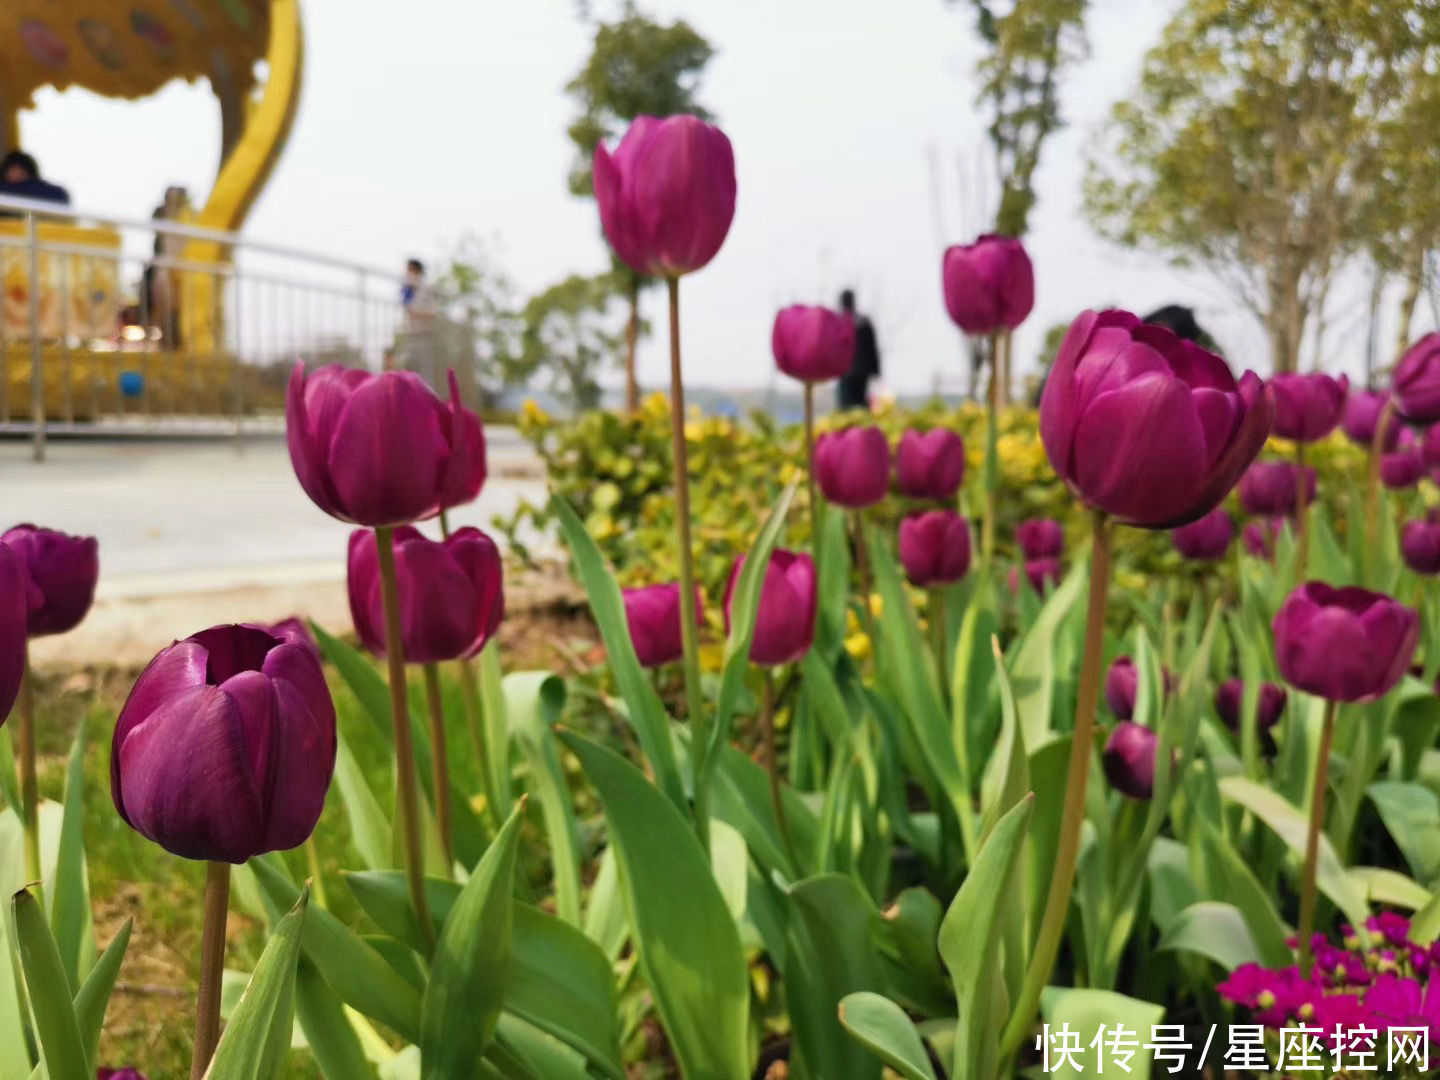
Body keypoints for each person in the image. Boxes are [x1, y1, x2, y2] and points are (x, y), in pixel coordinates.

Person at [837, 288, 880, 410]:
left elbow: (871, 347)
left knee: (848, 405)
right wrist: (876, 370)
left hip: (847, 371)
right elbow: (872, 349)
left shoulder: (839, 322)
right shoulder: (863, 321)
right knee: (859, 403)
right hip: (859, 371)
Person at [0, 150, 71, 208]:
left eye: (22, 171)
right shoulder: (3, 190)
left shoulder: (53, 193)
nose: (17, 174)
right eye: (12, 170)